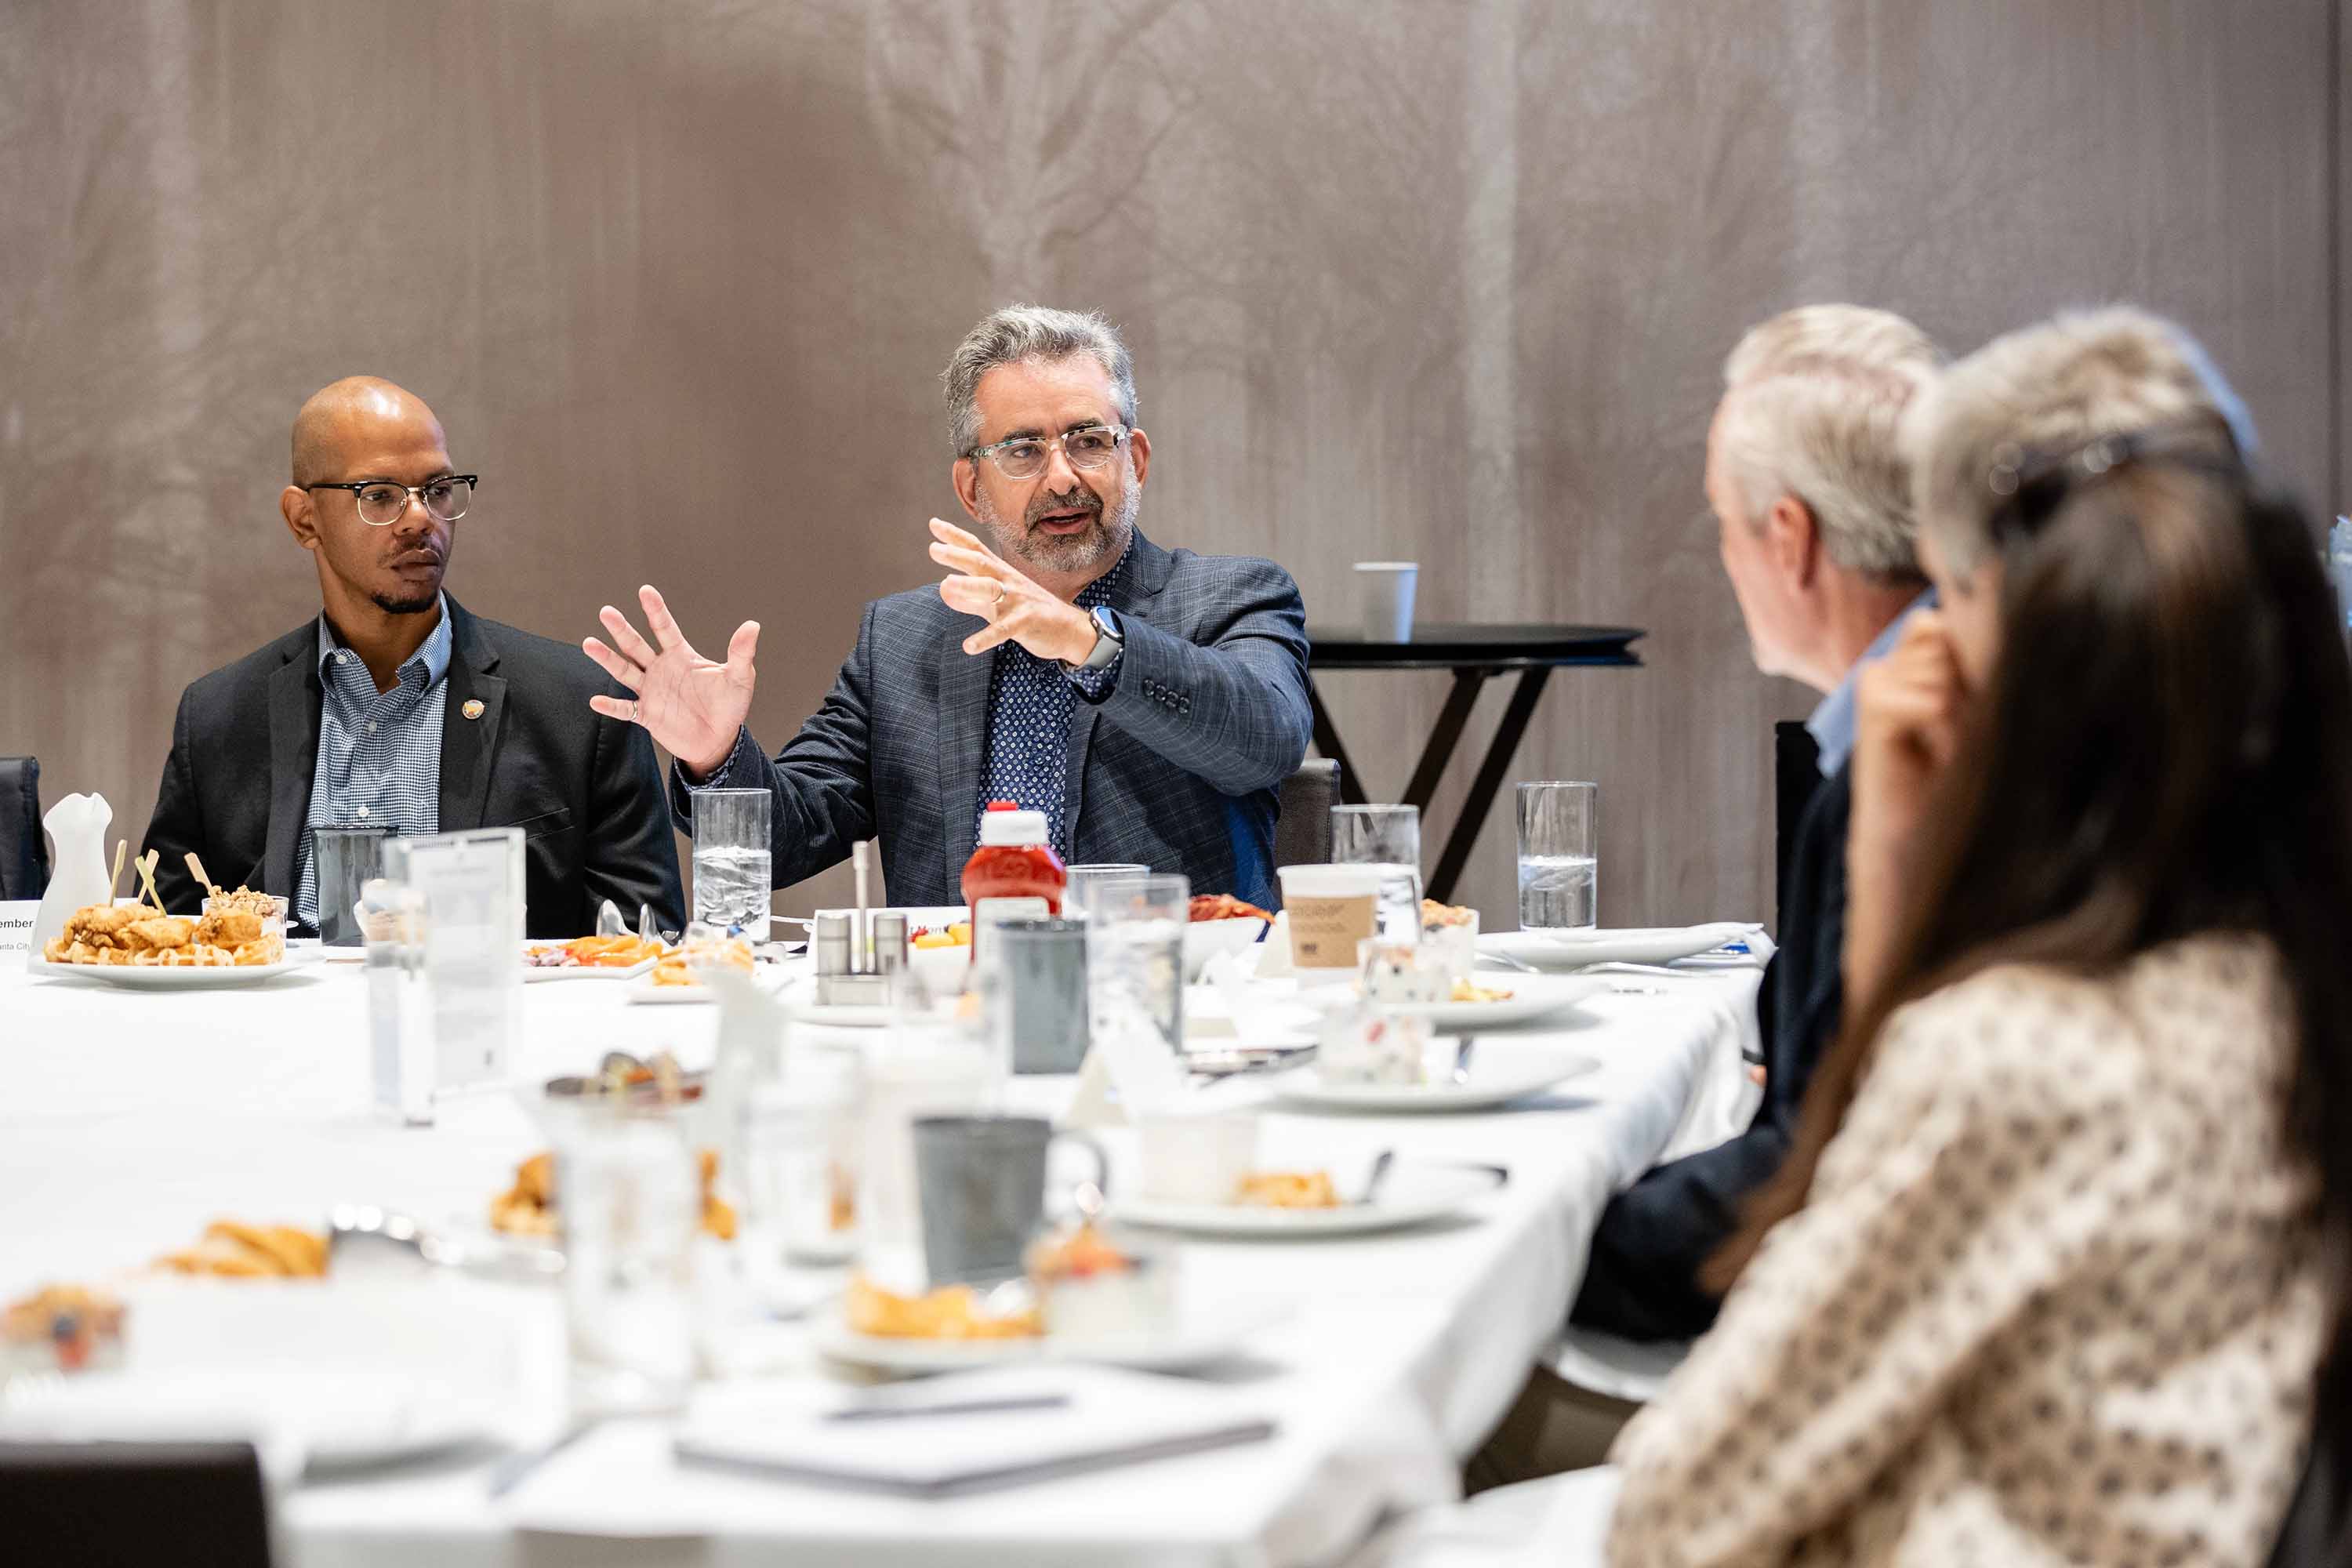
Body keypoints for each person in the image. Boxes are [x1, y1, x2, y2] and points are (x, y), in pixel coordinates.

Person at [1596, 306, 2350, 1565]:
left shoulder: (2015, 1055)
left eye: (1942, 595)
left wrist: (1897, 936)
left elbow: (1671, 1510)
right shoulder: (2292, 992)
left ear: (2014, 640)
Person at [582, 305, 1314, 909]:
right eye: (1024, 451)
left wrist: (1092, 643)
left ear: (1137, 460)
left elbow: (1265, 740)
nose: (1063, 477)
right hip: (952, 1017)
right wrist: (715, 761)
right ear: (971, 489)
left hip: (1172, 1007)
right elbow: (791, 838)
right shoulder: (903, 640)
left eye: (1089, 441)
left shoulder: (1234, 596)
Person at [1570, 305, 1944, 1343]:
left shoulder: (1909, 762)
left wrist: (1556, 1246)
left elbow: (1823, 1159)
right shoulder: (1948, 706)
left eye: (1724, 522)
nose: (1724, 556)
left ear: (1790, 539)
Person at [142, 376, 684, 938]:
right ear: (305, 520)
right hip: (280, 1023)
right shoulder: (218, 717)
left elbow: (651, 946)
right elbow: (162, 945)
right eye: (380, 495)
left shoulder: (581, 706)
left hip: (485, 1019)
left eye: (438, 490)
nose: (420, 518)